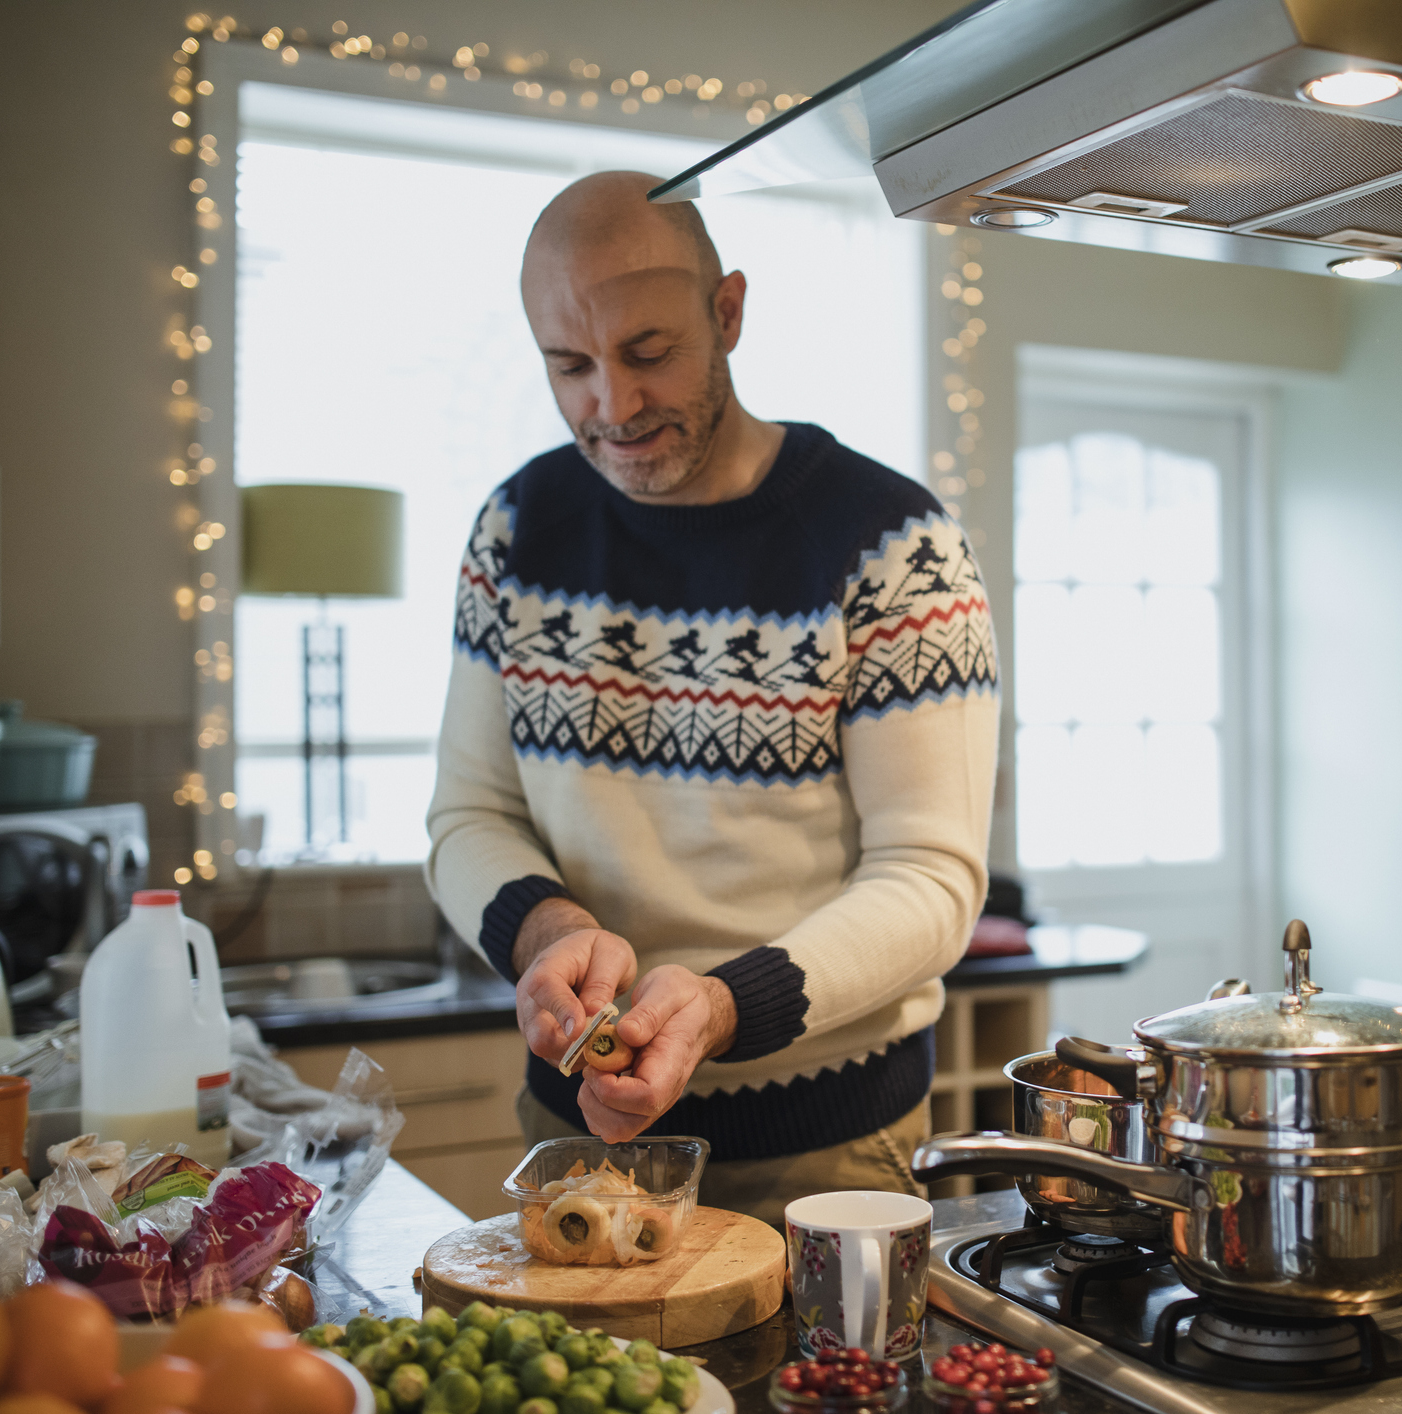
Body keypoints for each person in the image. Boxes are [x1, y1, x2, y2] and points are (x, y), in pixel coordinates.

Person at [424, 171, 999, 1225]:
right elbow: (470, 815)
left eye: (649, 352)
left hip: (824, 1149)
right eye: (570, 365)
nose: (613, 404)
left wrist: (728, 1005)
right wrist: (546, 931)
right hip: (580, 1137)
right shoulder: (517, 527)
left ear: (726, 312)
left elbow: (932, 878)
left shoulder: (892, 546)